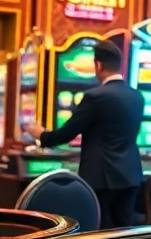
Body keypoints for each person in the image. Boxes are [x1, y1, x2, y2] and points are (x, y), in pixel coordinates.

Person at [24, 41, 144, 229]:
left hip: (101, 178)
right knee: (124, 232)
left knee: (100, 233)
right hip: (131, 175)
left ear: (98, 65)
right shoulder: (137, 96)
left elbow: (65, 134)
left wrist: (41, 134)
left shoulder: (95, 97)